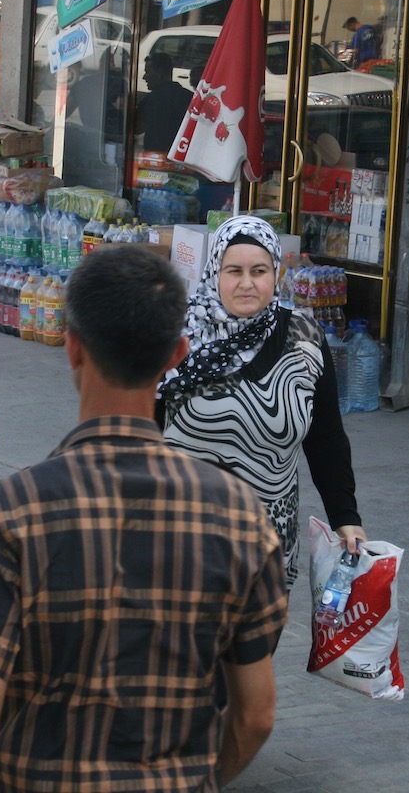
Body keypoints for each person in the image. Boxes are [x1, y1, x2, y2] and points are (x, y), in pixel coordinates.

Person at [0, 245, 287, 792]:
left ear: (72, 348)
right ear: (178, 354)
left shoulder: (13, 512)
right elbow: (255, 717)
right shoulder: (242, 519)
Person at [157, 215, 366, 588]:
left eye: (259, 270)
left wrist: (345, 516)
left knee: (255, 646)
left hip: (267, 549)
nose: (247, 283)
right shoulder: (176, 335)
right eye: (233, 270)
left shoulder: (303, 336)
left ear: (276, 273)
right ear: (214, 272)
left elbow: (326, 437)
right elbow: (137, 431)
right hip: (178, 543)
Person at [138, 51, 194, 152]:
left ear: (159, 73)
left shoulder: (151, 99)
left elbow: (137, 128)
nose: (144, 77)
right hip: (180, 157)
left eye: (147, 72)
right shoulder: (189, 97)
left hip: (155, 159)